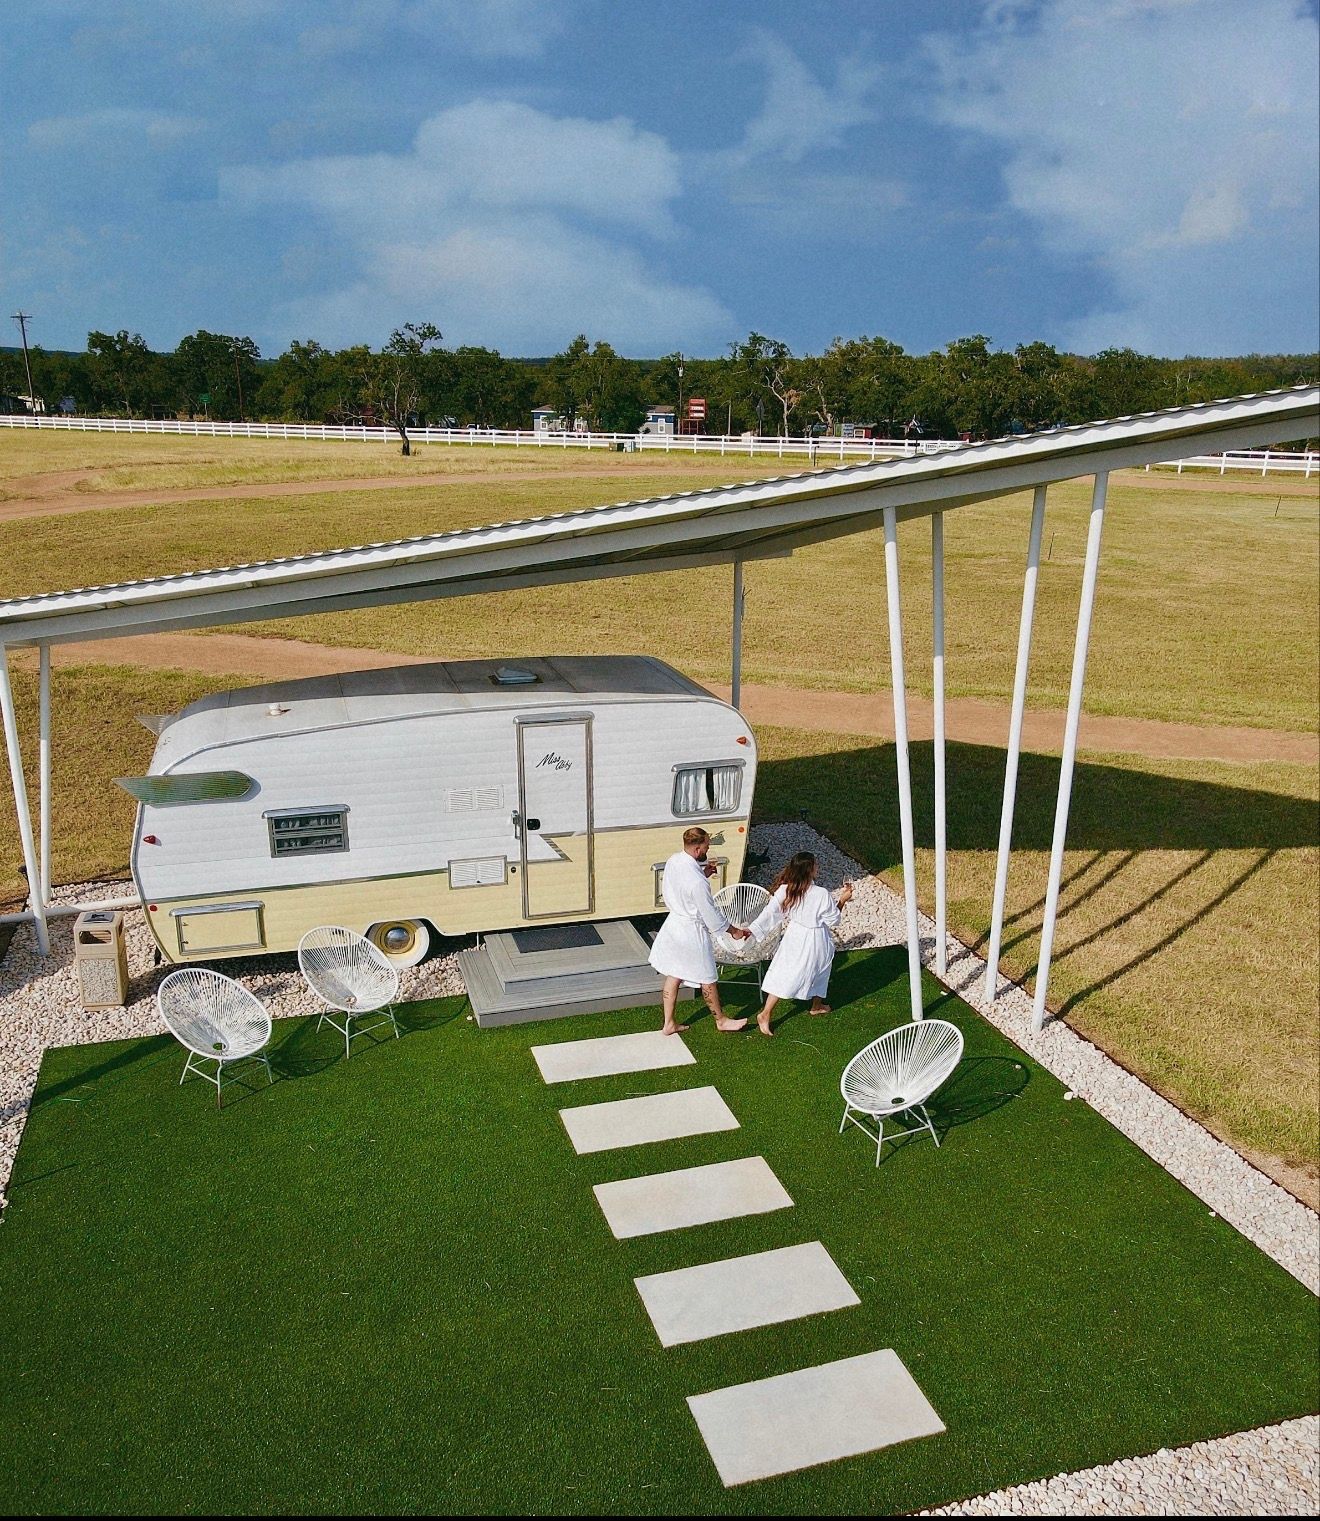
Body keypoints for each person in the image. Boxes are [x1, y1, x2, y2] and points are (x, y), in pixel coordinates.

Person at [648, 826, 753, 1036]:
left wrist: (704, 873)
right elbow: (711, 916)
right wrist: (734, 931)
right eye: (706, 846)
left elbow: (682, 888)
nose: (707, 850)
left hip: (673, 925)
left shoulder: (674, 860)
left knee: (675, 973)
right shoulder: (697, 883)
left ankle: (668, 1023)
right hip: (691, 932)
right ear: (697, 849)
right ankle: (721, 1020)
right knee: (707, 977)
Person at [749, 852, 853, 1036]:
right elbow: (833, 920)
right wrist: (843, 900)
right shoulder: (820, 894)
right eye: (815, 865)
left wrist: (752, 930)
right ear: (810, 869)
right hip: (814, 938)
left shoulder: (786, 889)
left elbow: (770, 912)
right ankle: (765, 1014)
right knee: (814, 970)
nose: (818, 868)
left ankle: (817, 1005)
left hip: (794, 936)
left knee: (791, 971)